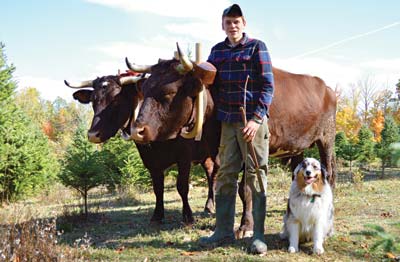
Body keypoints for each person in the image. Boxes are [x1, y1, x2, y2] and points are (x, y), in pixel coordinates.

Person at [198, 4, 274, 254]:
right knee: (226, 173)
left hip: (252, 122)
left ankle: (258, 235)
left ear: (244, 24)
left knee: (256, 173)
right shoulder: (216, 51)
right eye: (228, 22)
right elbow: (206, 79)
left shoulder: (256, 47)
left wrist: (256, 119)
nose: (233, 26)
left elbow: (267, 86)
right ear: (222, 25)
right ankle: (222, 232)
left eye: (237, 21)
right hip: (227, 122)